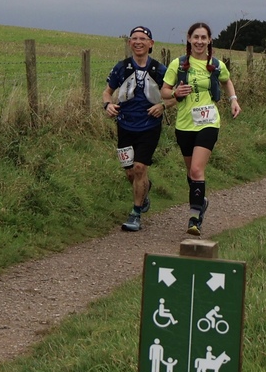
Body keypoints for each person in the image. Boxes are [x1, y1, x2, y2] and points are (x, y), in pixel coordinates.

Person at [161, 22, 241, 236]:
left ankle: (194, 218)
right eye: (195, 37)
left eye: (203, 38)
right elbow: (164, 91)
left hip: (209, 122)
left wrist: (233, 100)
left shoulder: (215, 64)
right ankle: (201, 201)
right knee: (191, 173)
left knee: (197, 169)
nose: (199, 41)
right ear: (189, 39)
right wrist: (175, 92)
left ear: (209, 40)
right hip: (184, 124)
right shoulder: (178, 64)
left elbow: (227, 81)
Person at [103, 25, 167, 232]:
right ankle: (144, 190)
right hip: (124, 125)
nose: (138, 42)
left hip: (149, 126)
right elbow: (107, 92)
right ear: (129, 42)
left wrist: (163, 106)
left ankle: (135, 214)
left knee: (140, 168)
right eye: (134, 38)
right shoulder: (121, 67)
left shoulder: (160, 70)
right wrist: (108, 105)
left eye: (142, 39)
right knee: (130, 173)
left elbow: (175, 95)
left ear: (151, 43)